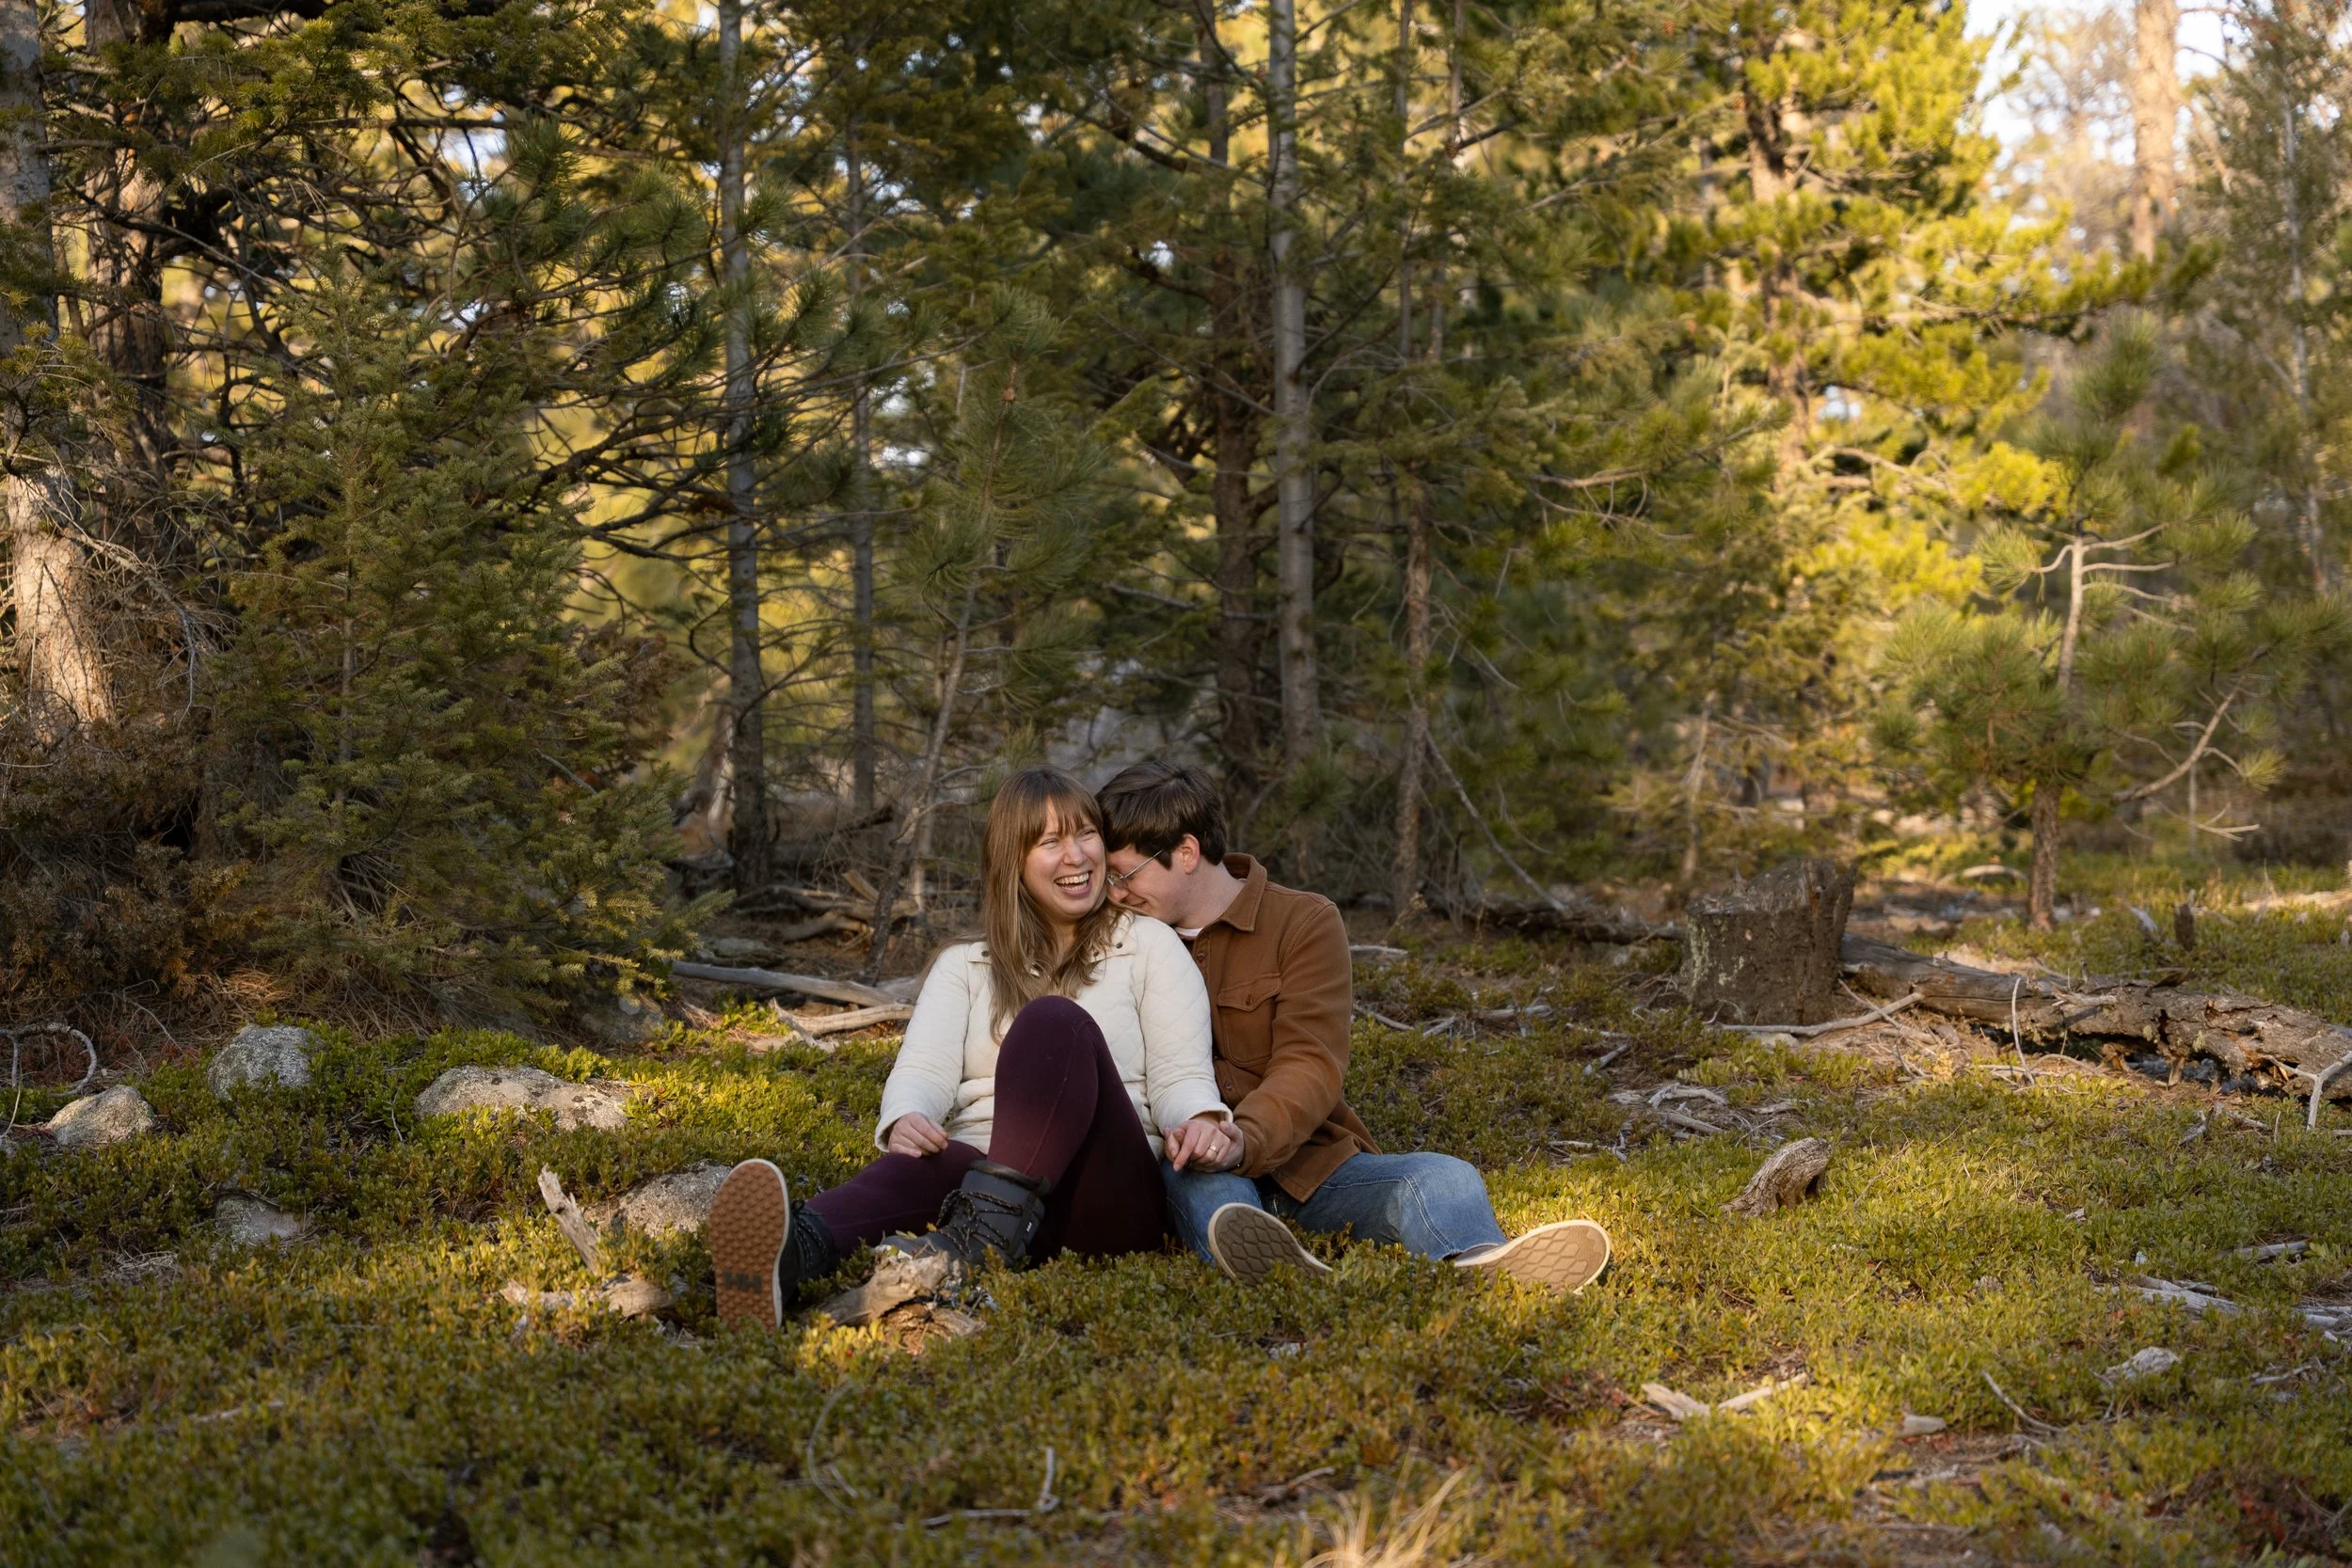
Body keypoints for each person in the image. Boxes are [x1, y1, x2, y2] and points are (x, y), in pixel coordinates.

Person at [707, 767, 1235, 1330]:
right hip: (989, 1180)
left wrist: (1199, 1119)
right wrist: (907, 1115)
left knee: (1054, 1022)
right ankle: (790, 1256)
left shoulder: (1149, 944)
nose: (1077, 856)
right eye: (1050, 842)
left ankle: (976, 1242)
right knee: (919, 1166)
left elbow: (1181, 1073)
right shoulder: (964, 965)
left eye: (1086, 834)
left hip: (1107, 1197)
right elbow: (923, 1067)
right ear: (1013, 860)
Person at [1097, 760, 1611, 1293]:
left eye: (1126, 876)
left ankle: (1482, 1266)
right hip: (1197, 1170)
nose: (1115, 894)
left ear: (1185, 853)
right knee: (1214, 1198)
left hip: (1311, 1168)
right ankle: (1289, 1284)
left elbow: (1311, 1063)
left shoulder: (1301, 923)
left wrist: (1243, 1139)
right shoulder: (1121, 941)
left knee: (1444, 1176)